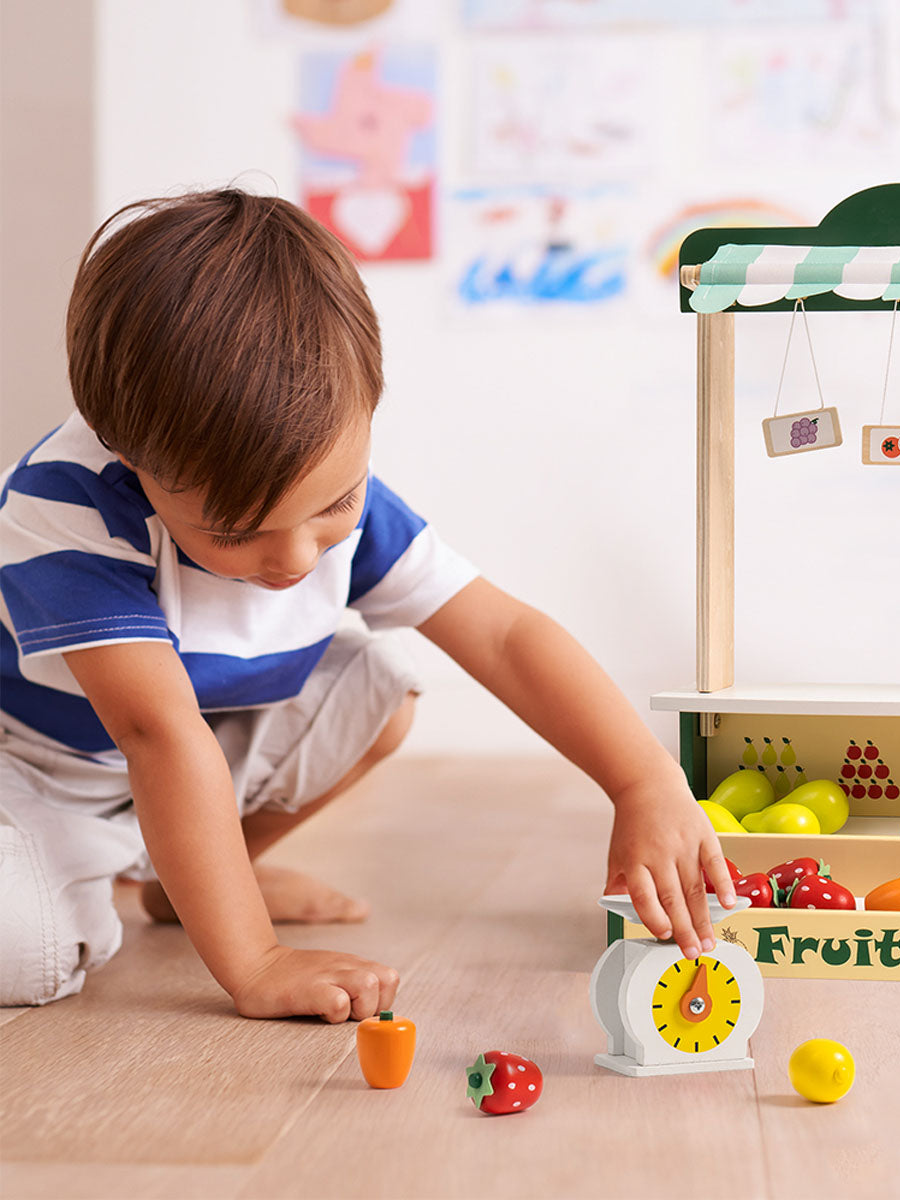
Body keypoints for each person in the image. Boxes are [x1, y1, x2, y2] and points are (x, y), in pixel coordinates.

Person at [0, 188, 736, 1020]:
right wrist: (256, 961)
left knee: (379, 691)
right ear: (128, 454)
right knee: (21, 951)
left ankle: (195, 880)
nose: (295, 556)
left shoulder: (326, 493)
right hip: (41, 773)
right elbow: (155, 735)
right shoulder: (66, 509)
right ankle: (144, 886)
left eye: (332, 506)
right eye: (238, 531)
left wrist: (644, 781)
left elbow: (502, 634)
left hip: (186, 754)